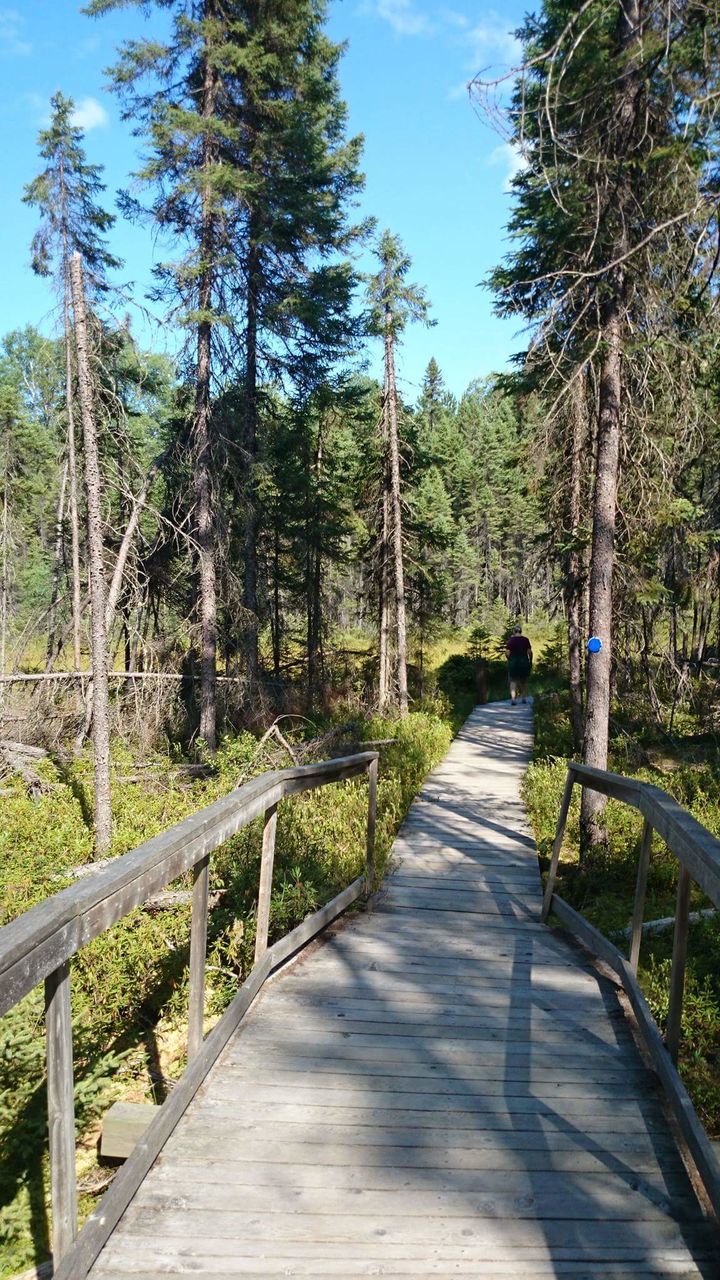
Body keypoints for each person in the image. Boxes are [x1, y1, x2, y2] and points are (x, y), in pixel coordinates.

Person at [506, 624, 532, 705]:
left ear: (514, 631)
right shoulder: (525, 640)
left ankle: (513, 699)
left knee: (513, 681)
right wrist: (530, 660)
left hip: (513, 663)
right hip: (524, 662)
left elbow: (507, 653)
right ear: (521, 631)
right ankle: (523, 698)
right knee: (524, 681)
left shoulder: (511, 640)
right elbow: (529, 652)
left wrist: (509, 659)